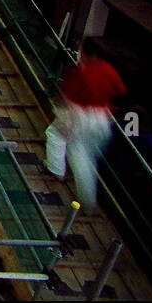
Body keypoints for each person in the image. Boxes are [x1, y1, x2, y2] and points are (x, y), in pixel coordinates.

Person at [50, 39, 126, 207]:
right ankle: (87, 197)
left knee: (67, 144)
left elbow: (67, 96)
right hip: (102, 117)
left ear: (85, 52)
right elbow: (120, 91)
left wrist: (59, 108)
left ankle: (57, 171)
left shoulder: (82, 71)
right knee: (88, 156)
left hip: (81, 115)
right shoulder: (108, 69)